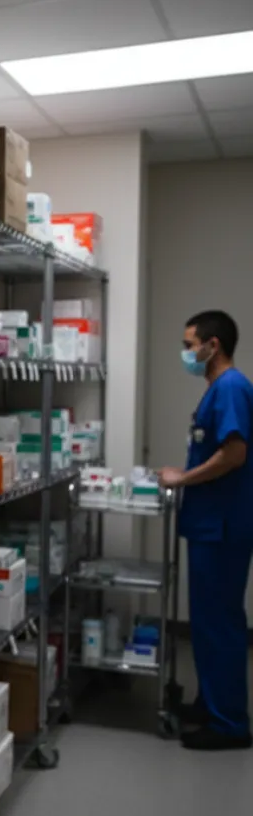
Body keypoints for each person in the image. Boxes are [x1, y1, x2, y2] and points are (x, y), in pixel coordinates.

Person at [158, 310, 253, 750]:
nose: (186, 353)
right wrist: (186, 470)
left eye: (189, 344)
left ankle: (230, 724)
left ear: (213, 346)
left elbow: (235, 453)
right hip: (212, 524)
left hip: (223, 527)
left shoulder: (231, 387)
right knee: (208, 622)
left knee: (220, 624)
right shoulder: (217, 389)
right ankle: (210, 703)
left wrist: (183, 479)